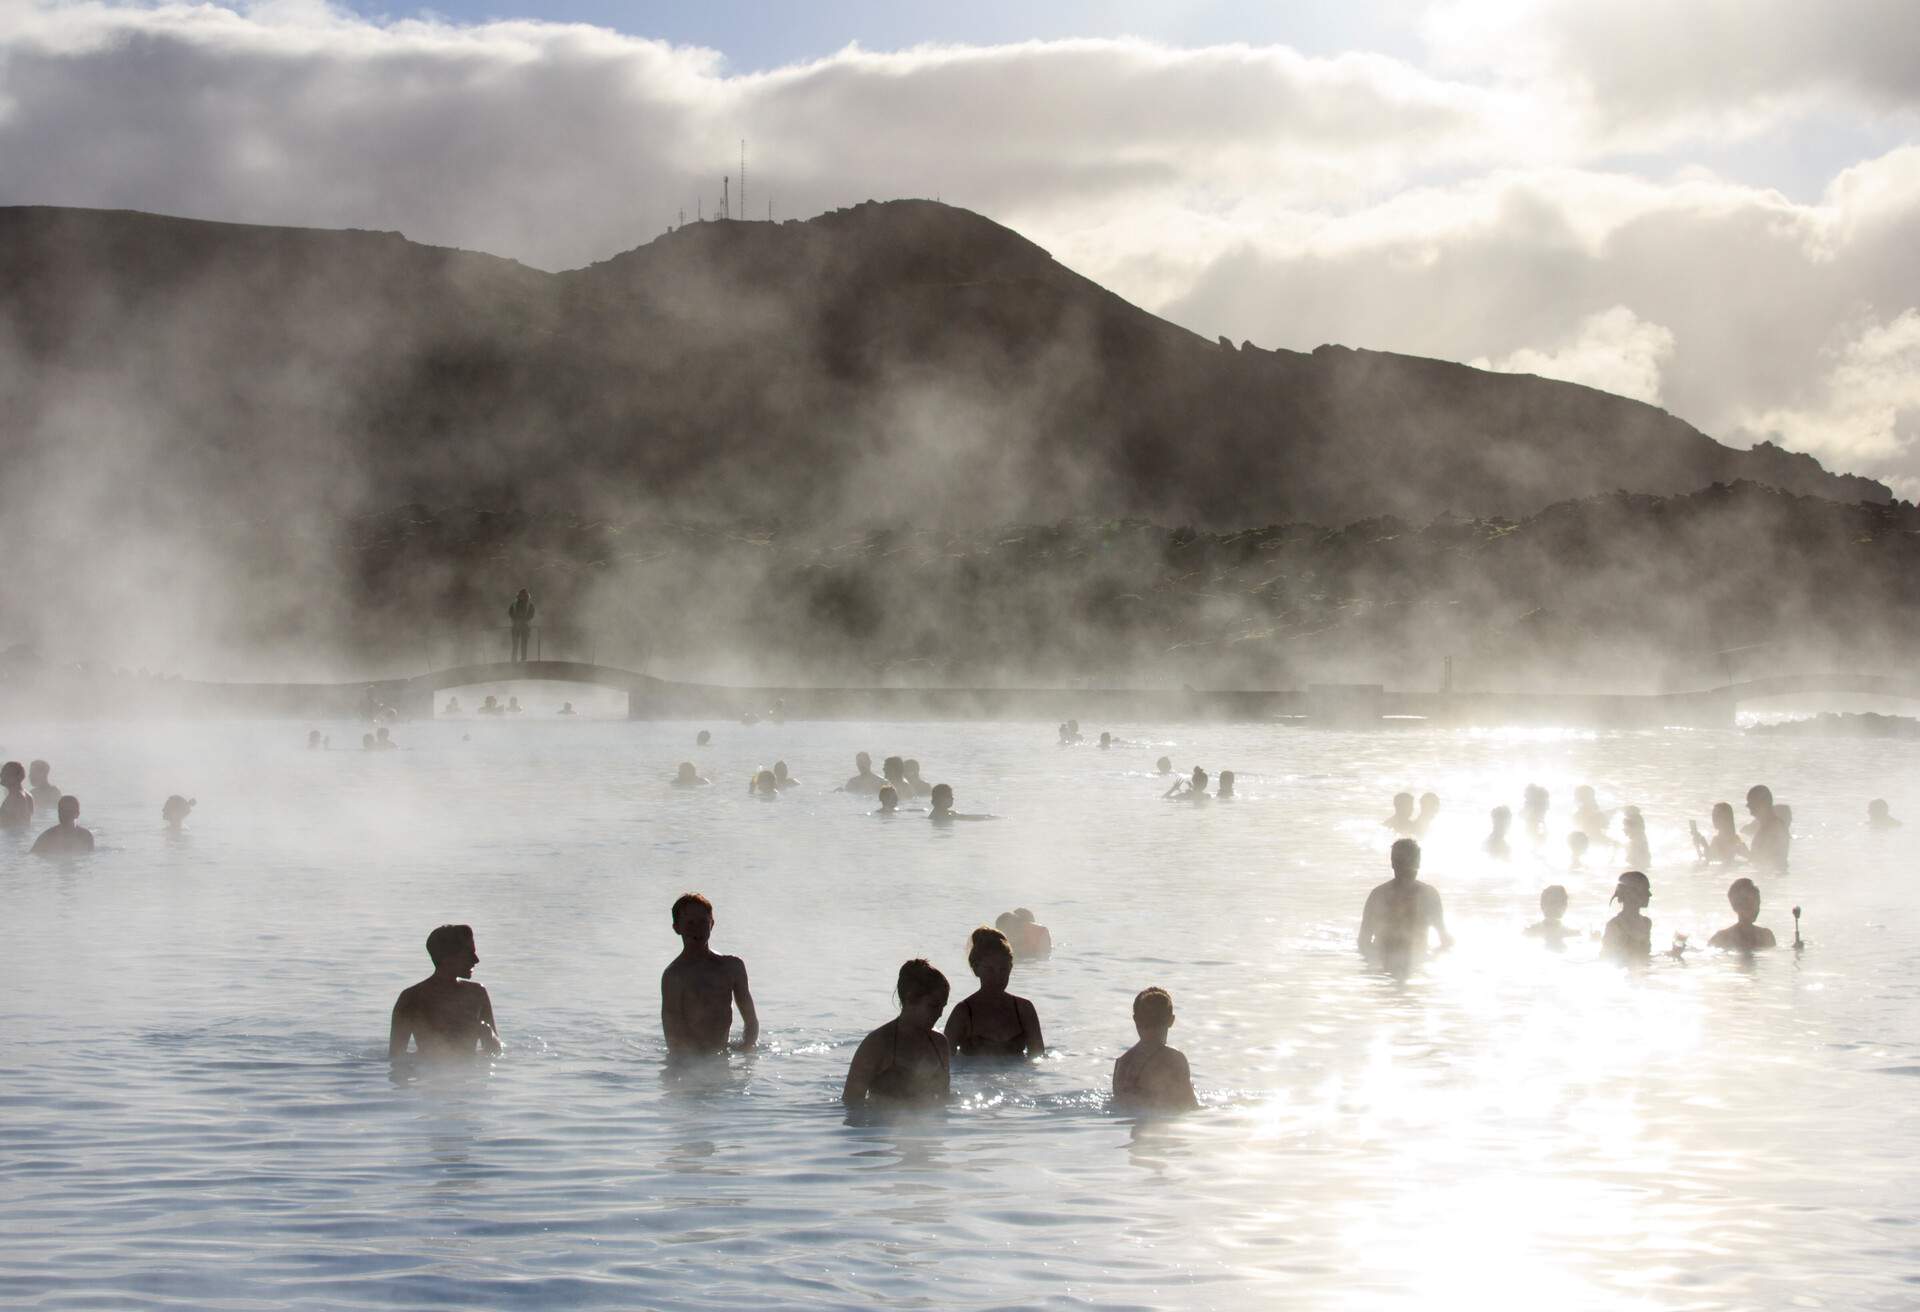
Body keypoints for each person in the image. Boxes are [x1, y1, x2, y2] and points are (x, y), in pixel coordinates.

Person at [842, 959, 951, 1106]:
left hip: (929, 1125)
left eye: (943, 1006)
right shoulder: (877, 1044)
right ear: (910, 998)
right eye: (933, 1005)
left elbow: (945, 1099)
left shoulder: (939, 1044)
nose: (940, 1014)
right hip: (882, 1126)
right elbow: (851, 1102)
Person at [389, 924, 502, 1064]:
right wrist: (432, 1056)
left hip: (471, 1080)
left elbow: (497, 1051)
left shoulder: (477, 993)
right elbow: (396, 1057)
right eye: (469, 953)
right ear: (448, 958)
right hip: (426, 1078)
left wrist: (488, 1033)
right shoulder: (411, 999)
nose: (476, 959)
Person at [660, 893, 758, 1053]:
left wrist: (746, 1048)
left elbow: (751, 1021)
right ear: (677, 928)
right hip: (687, 1062)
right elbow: (672, 1035)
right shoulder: (674, 975)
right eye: (690, 923)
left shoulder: (732, 967)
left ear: (712, 924)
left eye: (702, 922)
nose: (697, 929)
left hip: (722, 1056)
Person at [944, 927, 1044, 1058]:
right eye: (990, 970)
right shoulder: (963, 1012)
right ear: (976, 970)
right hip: (972, 1076)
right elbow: (943, 1060)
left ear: (1010, 969)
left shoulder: (1024, 1009)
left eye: (1003, 969)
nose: (997, 976)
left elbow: (1037, 1058)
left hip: (1017, 1077)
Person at [1357, 838, 1453, 971]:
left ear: (1418, 864)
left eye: (1410, 864)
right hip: (1387, 964)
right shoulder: (1379, 896)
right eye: (1402, 864)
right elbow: (1363, 942)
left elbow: (1444, 940)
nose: (1406, 870)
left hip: (1414, 964)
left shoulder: (1429, 896)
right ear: (1393, 864)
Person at [1112, 987, 1199, 1112]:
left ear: (1135, 1019)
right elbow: (1190, 1107)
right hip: (1158, 1125)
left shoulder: (1121, 1063)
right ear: (1171, 1020)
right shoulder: (1173, 1059)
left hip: (1128, 1128)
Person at [1708, 877, 1777, 952]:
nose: (1755, 909)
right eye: (1749, 905)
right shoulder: (1722, 938)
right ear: (1735, 906)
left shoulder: (1765, 936)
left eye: (1757, 904)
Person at [1602, 871, 1653, 961]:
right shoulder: (1615, 926)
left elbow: (1646, 957)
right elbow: (1605, 958)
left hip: (1642, 972)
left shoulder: (1646, 923)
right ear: (1631, 894)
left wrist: (1673, 954)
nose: (1650, 894)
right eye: (1645, 890)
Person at [1746, 785, 1790, 875]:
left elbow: (1768, 860)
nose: (1750, 811)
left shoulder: (1774, 828)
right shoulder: (1767, 826)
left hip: (1772, 879)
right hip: (1769, 878)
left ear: (1761, 804)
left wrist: (1745, 854)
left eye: (1751, 804)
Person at [929, 783, 993, 821]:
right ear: (939, 799)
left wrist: (987, 816)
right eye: (948, 796)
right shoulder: (945, 815)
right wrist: (987, 817)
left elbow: (965, 817)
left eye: (951, 796)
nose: (952, 798)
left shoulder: (942, 813)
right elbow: (966, 818)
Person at [0, 761, 33, 830]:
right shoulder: (28, 795)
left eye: (5, 773)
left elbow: (14, 824)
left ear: (15, 777)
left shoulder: (15, 797)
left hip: (12, 837)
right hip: (19, 837)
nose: (1, 775)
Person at [507, 588, 536, 662]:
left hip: (525, 627)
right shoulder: (514, 604)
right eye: (521, 595)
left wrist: (523, 620)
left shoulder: (530, 605)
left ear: (527, 596)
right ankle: (514, 660)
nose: (522, 596)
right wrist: (517, 620)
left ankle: (523, 660)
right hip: (516, 626)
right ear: (519, 596)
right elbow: (510, 613)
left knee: (523, 645)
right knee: (515, 645)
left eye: (524, 595)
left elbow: (531, 615)